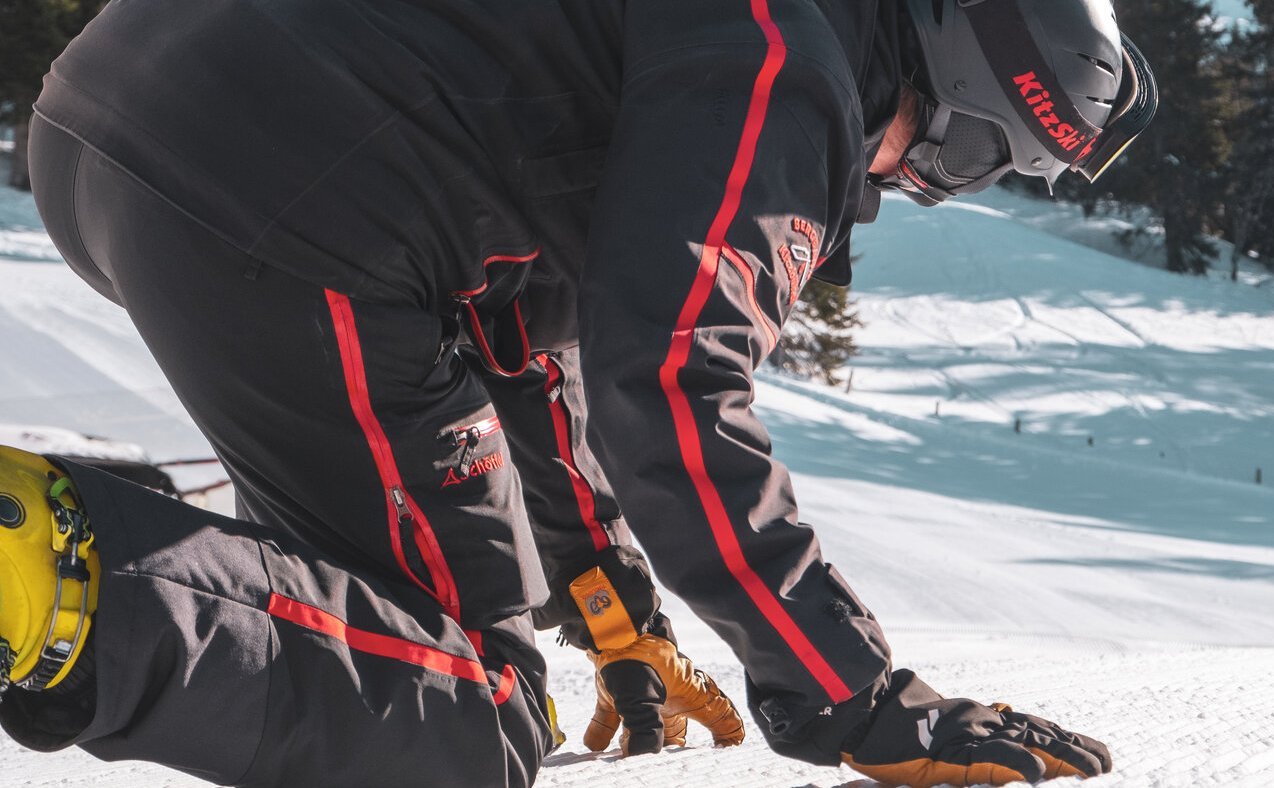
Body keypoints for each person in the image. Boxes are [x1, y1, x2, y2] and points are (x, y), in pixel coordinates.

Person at [0, 0, 1157, 785]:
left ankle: (61, 568)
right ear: (938, 54)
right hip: (291, 193)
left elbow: (519, 323)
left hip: (120, 118)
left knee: (356, 632)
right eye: (966, 157)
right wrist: (855, 695)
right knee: (471, 707)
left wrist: (608, 594)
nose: (910, 180)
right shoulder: (791, 59)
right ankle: (39, 577)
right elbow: (671, 376)